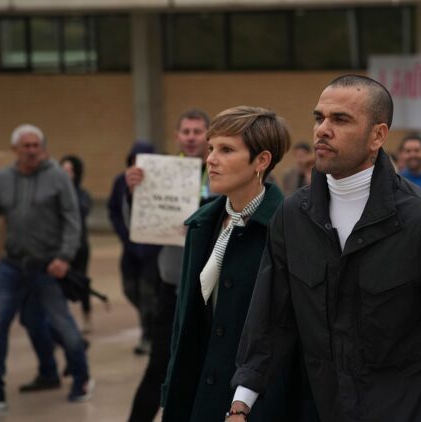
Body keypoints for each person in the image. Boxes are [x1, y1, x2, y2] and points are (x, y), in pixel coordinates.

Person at [226, 75, 421, 422]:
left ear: (378, 136)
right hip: (333, 408)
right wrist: (242, 400)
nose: (322, 129)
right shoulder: (292, 218)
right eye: (318, 117)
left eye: (340, 120)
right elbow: (271, 314)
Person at [160, 106, 314, 422]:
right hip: (198, 397)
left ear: (262, 160)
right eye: (211, 148)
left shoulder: (287, 231)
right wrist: (170, 397)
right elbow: (183, 328)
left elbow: (292, 337)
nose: (211, 159)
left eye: (226, 150)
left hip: (257, 406)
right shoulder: (202, 225)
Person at [0, 124, 93, 408]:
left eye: (36, 145)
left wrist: (64, 257)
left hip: (48, 267)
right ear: (15, 150)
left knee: (63, 325)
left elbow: (72, 221)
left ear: (43, 147)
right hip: (12, 268)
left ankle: (81, 378)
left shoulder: (57, 179)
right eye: (25, 146)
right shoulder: (3, 180)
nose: (31, 150)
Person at [128, 109, 213, 422]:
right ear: (177, 137)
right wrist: (134, 194)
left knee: (208, 368)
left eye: (198, 131)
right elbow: (136, 229)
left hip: (212, 290)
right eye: (186, 131)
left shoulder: (223, 172)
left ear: (209, 136)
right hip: (172, 287)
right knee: (159, 367)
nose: (191, 137)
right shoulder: (158, 175)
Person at [107, 141, 162, 355]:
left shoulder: (159, 182)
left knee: (148, 294)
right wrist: (125, 236)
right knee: (130, 290)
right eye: (133, 161)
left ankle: (148, 334)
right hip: (130, 249)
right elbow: (113, 210)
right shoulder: (120, 182)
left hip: (153, 250)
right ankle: (152, 321)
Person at [60, 155, 93, 332]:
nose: (66, 174)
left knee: (81, 280)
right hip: (61, 247)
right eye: (63, 170)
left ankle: (86, 313)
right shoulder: (55, 193)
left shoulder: (82, 195)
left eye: (69, 171)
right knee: (62, 284)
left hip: (80, 246)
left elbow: (81, 212)